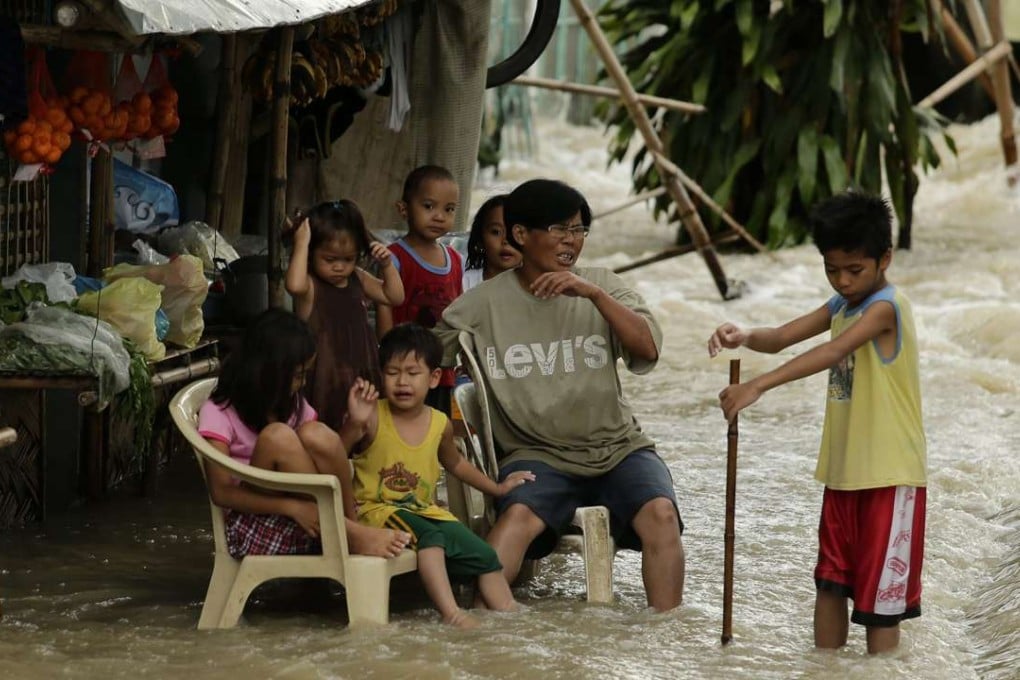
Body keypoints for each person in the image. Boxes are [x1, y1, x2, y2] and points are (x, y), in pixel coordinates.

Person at [434, 178, 686, 612]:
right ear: (520, 235)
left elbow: (647, 349)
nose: (572, 240)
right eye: (559, 229)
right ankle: (479, 643)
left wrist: (592, 295)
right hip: (536, 454)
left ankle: (666, 640)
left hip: (618, 448)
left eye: (579, 230)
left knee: (662, 516)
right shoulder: (483, 303)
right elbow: (421, 354)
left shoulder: (604, 284)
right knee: (515, 520)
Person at [707, 191, 926, 654]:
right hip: (844, 474)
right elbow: (785, 335)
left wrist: (759, 386)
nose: (842, 281)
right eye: (832, 269)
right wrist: (744, 335)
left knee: (877, 605)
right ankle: (823, 668)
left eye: (854, 270)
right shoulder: (841, 305)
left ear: (884, 259)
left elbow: (831, 351)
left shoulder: (885, 307)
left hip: (889, 476)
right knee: (829, 584)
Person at [347, 323, 534, 628]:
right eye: (393, 373)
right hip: (379, 510)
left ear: (434, 378)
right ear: (381, 376)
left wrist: (498, 489)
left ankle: (508, 616)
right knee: (431, 536)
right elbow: (338, 455)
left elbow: (457, 465)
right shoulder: (370, 416)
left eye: (412, 372)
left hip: (424, 511)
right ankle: (452, 614)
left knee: (485, 554)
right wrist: (353, 424)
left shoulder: (439, 423)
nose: (402, 381)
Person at [197, 309, 410, 560]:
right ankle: (350, 532)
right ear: (268, 370)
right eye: (298, 376)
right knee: (277, 436)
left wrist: (354, 424)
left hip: (313, 514)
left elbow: (321, 464)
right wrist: (292, 506)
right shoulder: (218, 411)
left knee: (315, 433)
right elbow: (222, 493)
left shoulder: (292, 404)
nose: (302, 384)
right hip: (258, 523)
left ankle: (352, 528)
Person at [284, 199, 404, 431]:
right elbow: (294, 285)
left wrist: (388, 266)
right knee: (325, 428)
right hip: (323, 377)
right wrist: (301, 243)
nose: (339, 267)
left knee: (364, 431)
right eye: (329, 259)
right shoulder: (309, 286)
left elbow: (394, 297)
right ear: (310, 254)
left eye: (348, 259)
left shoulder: (357, 278)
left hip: (361, 371)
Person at [376, 165, 463, 415]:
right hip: (404, 369)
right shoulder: (394, 257)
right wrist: (387, 353)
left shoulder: (455, 260)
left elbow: (457, 312)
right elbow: (385, 303)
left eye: (448, 209)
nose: (439, 216)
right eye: (428, 206)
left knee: (434, 428)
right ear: (403, 209)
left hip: (440, 370)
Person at [462, 194, 520, 291]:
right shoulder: (464, 283)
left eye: (516, 232)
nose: (506, 240)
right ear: (480, 240)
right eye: (496, 232)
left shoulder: (539, 286)